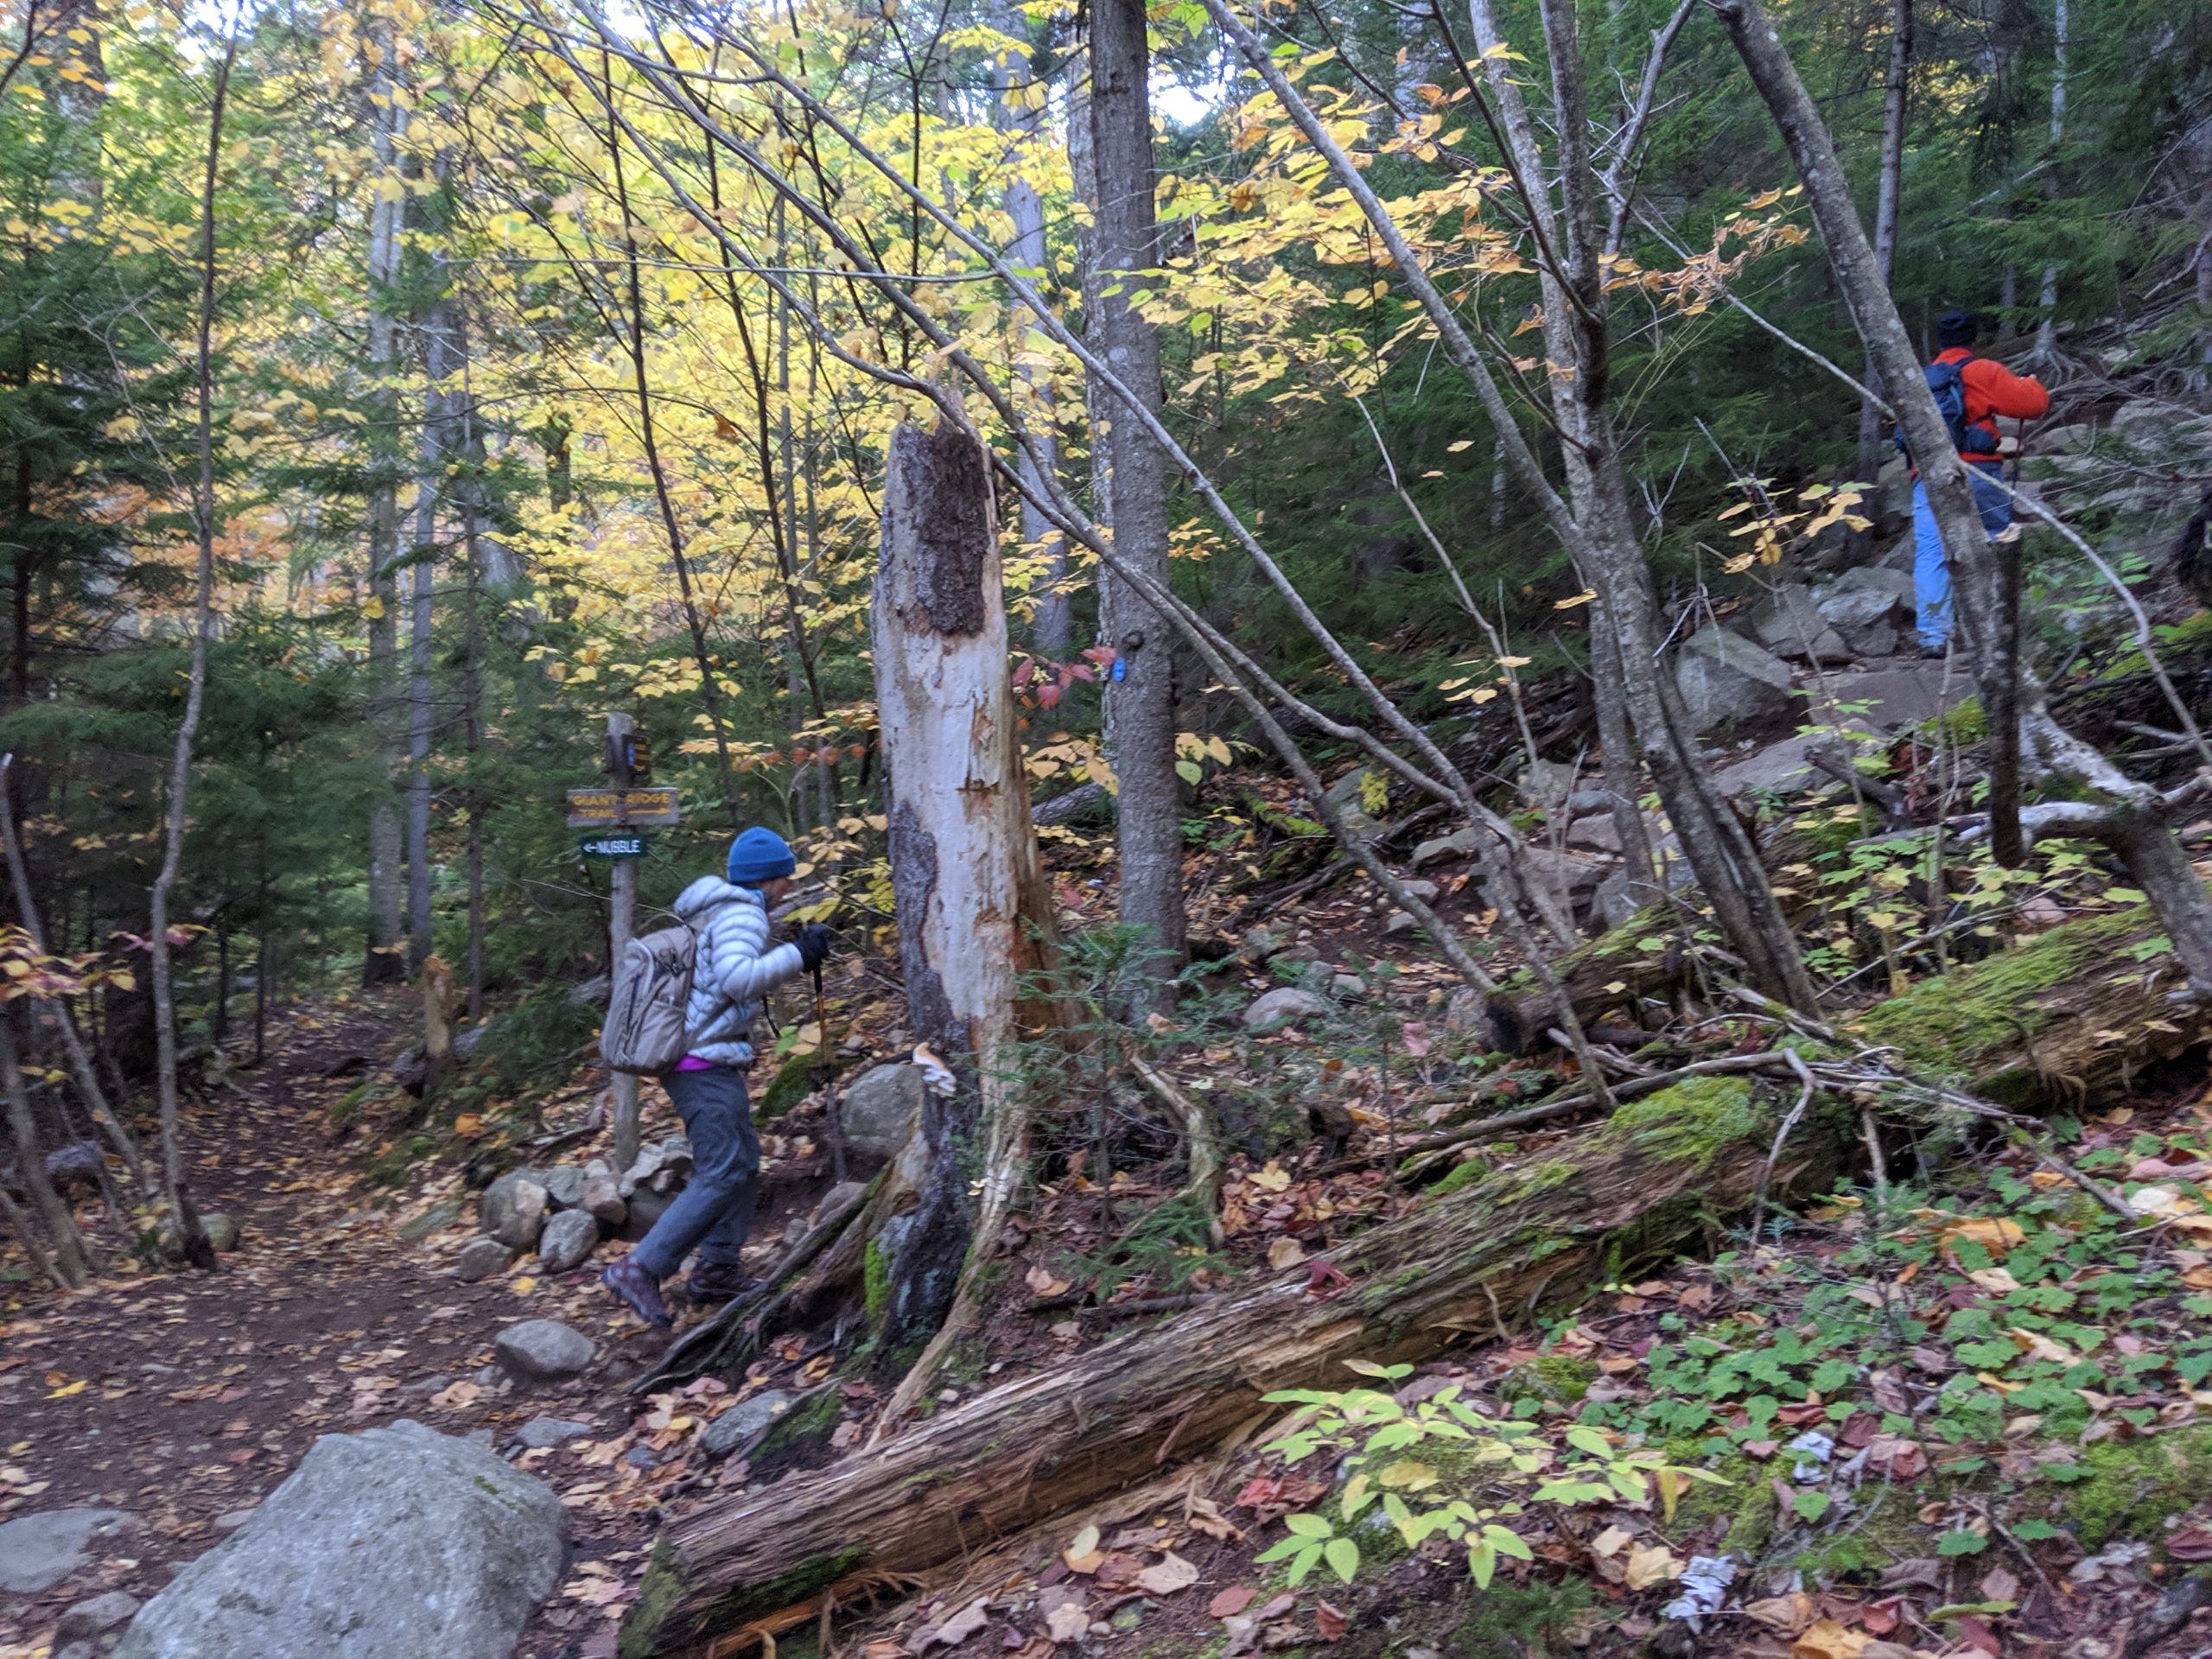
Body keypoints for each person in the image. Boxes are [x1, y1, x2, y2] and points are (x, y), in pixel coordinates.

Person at [601, 827, 831, 1329]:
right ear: (767, 879)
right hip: (702, 1065)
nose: (789, 887)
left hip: (702, 1061)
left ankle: (717, 1269)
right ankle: (640, 1268)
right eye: (785, 878)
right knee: (724, 1169)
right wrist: (801, 955)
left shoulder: (718, 912)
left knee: (742, 1163)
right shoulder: (743, 914)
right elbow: (737, 979)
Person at [1909, 308, 2050, 655]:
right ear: (1974, 338)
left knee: (1932, 553)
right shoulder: (1983, 370)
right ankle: (1994, 631)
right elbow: (2033, 405)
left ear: (1940, 341)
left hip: (1928, 475)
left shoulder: (1918, 377)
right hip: (1980, 470)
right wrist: (2031, 383)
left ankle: (1934, 636)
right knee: (1994, 541)